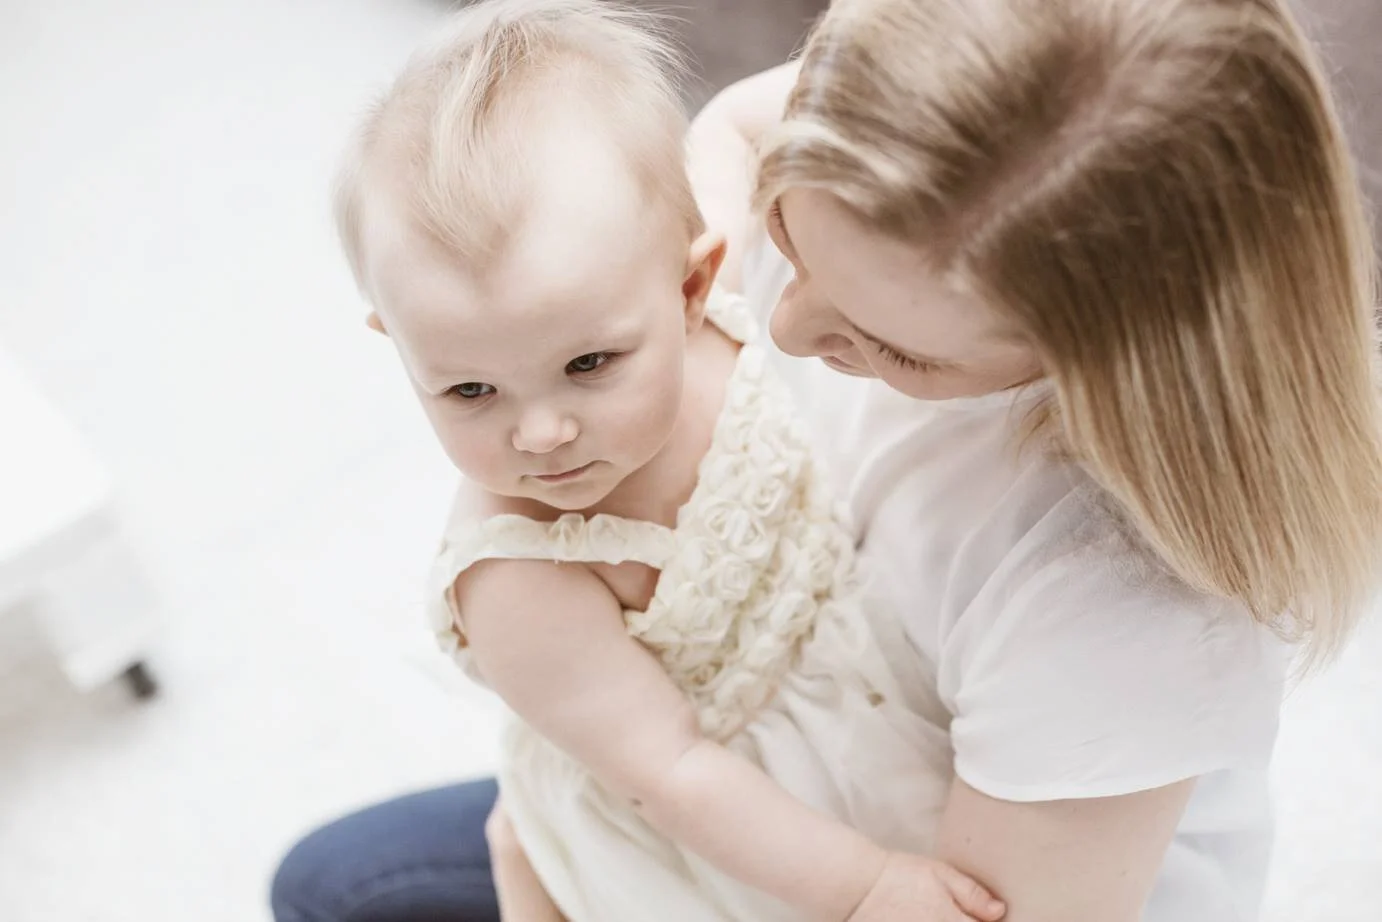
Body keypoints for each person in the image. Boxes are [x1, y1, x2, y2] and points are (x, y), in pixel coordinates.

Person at [272, 1, 1382, 921]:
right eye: (789, 234)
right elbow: (717, 141)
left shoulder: (1118, 603)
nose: (778, 326)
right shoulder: (710, 271)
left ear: (1088, 367)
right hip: (722, 803)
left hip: (870, 839)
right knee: (331, 882)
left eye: (890, 345)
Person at [315, 2, 1006, 921]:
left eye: (588, 365)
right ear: (400, 347)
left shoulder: (714, 293)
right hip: (730, 820)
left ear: (690, 286)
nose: (540, 433)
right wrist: (867, 885)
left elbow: (797, 119)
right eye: (469, 392)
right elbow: (673, 773)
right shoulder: (520, 576)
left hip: (865, 674)